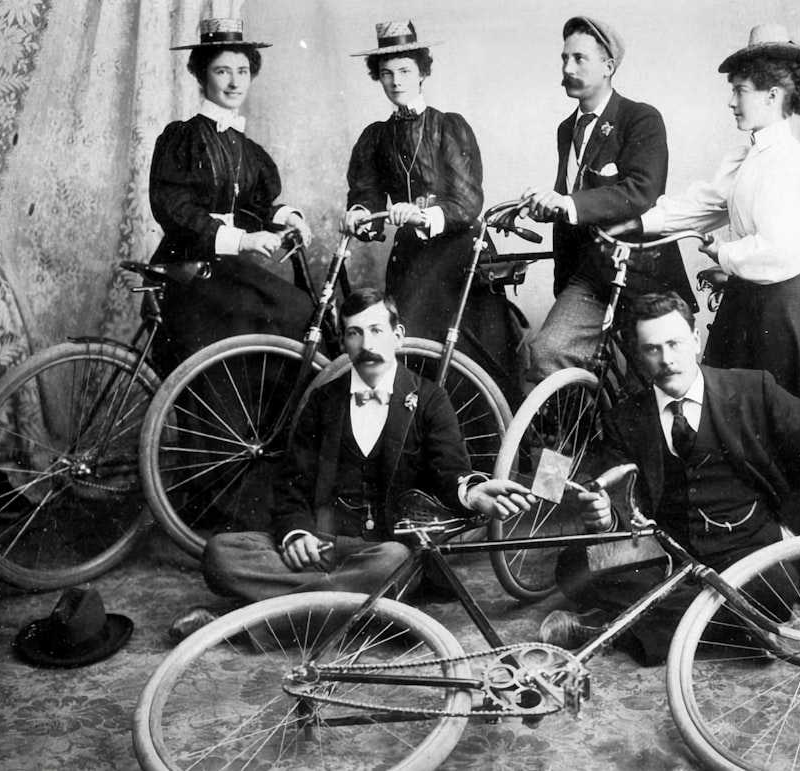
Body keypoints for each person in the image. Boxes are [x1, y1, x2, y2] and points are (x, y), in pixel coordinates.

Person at [174, 288, 533, 635]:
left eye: (377, 330)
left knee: (394, 562)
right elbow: (291, 482)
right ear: (344, 342)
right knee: (221, 553)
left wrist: (472, 492)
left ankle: (243, 625)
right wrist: (296, 535)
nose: (368, 345)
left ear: (398, 335)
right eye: (354, 333)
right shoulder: (323, 401)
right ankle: (358, 609)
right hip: (323, 545)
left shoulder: (429, 399)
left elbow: (450, 471)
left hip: (382, 550)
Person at [629, 24, 800, 530]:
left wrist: (724, 251)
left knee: (786, 431)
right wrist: (640, 222)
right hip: (748, 305)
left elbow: (782, 253)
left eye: (740, 90)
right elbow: (706, 202)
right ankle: (738, 535)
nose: (732, 102)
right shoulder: (747, 155)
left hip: (785, 309)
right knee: (732, 425)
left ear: (773, 94)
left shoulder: (795, 163)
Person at [539, 291, 800, 665]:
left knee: (773, 594)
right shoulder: (627, 417)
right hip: (666, 549)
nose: (667, 359)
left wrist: (790, 526)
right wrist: (606, 515)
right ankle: (739, 631)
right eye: (653, 349)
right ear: (639, 354)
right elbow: (620, 490)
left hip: (747, 547)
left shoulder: (753, 390)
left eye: (675, 343)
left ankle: (613, 632)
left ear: (696, 340)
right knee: (574, 566)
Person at [342, 20, 525, 407]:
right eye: (387, 73)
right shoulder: (375, 137)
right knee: (401, 337)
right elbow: (367, 195)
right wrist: (359, 215)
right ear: (378, 77)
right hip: (411, 254)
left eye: (406, 71)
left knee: (461, 346)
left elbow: (467, 202)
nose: (396, 81)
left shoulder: (448, 127)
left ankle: (494, 442)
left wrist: (423, 216)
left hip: (460, 250)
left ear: (423, 72)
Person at [517, 16, 696, 382]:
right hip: (589, 273)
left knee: (651, 377)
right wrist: (541, 207)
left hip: (642, 273)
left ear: (608, 66)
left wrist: (567, 204)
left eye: (579, 59)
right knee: (548, 352)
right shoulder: (567, 129)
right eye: (564, 58)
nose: (567, 68)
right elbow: (571, 198)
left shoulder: (640, 118)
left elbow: (642, 193)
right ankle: (581, 436)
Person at [148, 4, 314, 375]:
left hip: (224, 267)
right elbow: (174, 208)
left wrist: (289, 217)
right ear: (201, 75)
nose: (235, 82)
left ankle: (260, 424)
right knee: (294, 310)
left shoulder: (245, 147)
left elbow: (256, 204)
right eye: (222, 71)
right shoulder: (183, 137)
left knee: (299, 310)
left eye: (242, 71)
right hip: (190, 267)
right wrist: (241, 241)